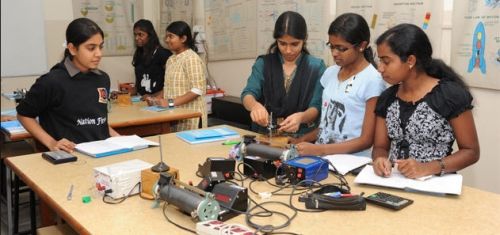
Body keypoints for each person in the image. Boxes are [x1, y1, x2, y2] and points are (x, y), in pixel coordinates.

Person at [372, 23, 480, 179]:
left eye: (386, 61)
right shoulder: (387, 98)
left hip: (436, 184)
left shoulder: (449, 95)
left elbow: (471, 152)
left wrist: (428, 168)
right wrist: (379, 159)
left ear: (410, 60)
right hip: (395, 182)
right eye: (379, 61)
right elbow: (380, 146)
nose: (380, 68)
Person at [16, 18, 119, 153]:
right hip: (70, 158)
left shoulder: (102, 78)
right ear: (72, 49)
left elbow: (98, 121)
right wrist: (51, 143)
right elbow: (23, 114)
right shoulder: (52, 81)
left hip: (102, 154)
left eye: (101, 46)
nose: (99, 54)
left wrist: (119, 139)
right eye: (91, 48)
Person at [294, 13, 386, 157]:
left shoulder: (372, 80)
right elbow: (327, 127)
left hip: (351, 163)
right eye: (331, 47)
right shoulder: (330, 73)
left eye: (341, 48)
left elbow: (366, 140)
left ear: (362, 45)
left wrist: (320, 150)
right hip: (322, 158)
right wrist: (301, 140)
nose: (335, 53)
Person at [241, 11, 326, 136]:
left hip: (302, 137)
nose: (288, 50)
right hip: (266, 134)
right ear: (276, 40)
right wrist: (254, 106)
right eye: (282, 43)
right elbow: (248, 94)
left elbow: (316, 106)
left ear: (304, 39)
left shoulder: (316, 67)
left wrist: (301, 117)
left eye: (294, 44)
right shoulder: (264, 63)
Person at [146, 21, 207, 131]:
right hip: (174, 117)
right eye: (166, 36)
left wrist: (169, 102)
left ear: (183, 39)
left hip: (190, 119)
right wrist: (156, 99)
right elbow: (168, 87)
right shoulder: (171, 59)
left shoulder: (191, 58)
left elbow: (197, 90)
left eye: (171, 36)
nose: (167, 40)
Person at [132, 19, 172, 99]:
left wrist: (152, 96)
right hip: (142, 101)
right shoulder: (139, 54)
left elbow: (172, 85)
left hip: (159, 102)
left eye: (141, 35)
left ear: (150, 35)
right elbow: (138, 83)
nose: (136, 38)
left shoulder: (163, 54)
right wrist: (123, 93)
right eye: (135, 35)